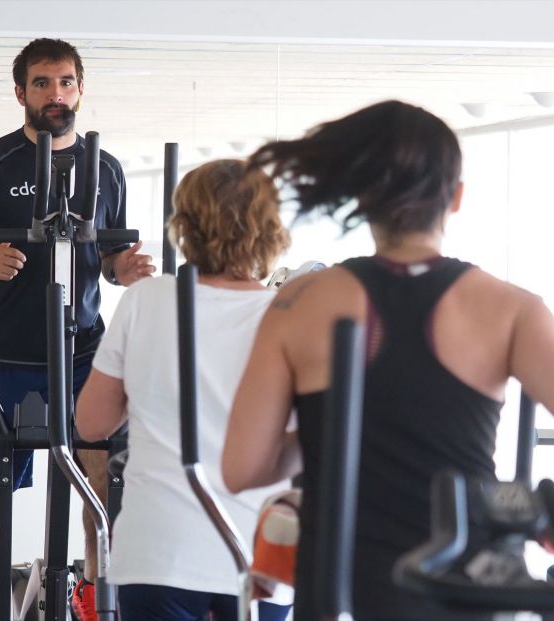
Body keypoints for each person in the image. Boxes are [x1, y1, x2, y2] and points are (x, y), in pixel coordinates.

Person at [221, 99, 554, 621]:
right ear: (457, 198)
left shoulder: (299, 302)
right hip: (462, 589)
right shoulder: (513, 310)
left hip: (341, 590)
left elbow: (244, 467)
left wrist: (324, 432)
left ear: (363, 197)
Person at [0, 38, 154, 621]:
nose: (55, 95)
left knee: (101, 487)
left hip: (83, 353)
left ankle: (93, 605)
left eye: (65, 82)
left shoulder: (104, 167)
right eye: (42, 83)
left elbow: (106, 258)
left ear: (80, 88)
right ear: (20, 93)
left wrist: (122, 269)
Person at [75, 158, 293, 621]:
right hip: (257, 555)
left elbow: (91, 423)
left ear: (185, 226)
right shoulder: (289, 314)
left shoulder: (146, 300)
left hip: (157, 551)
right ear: (269, 227)